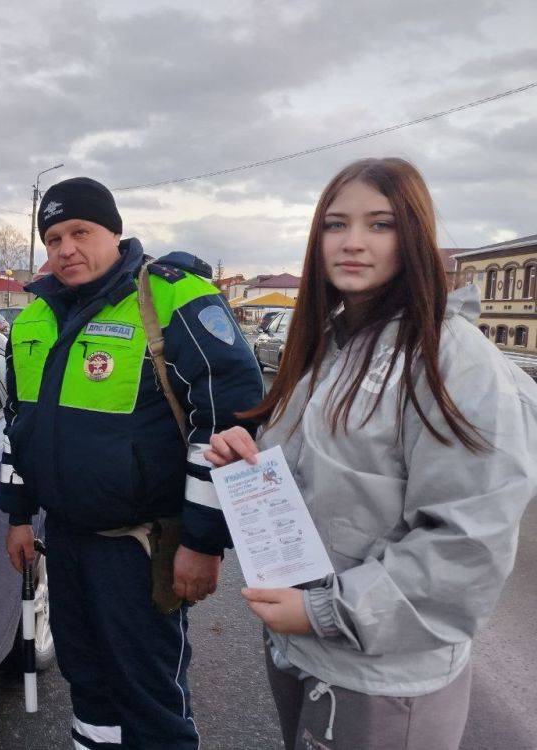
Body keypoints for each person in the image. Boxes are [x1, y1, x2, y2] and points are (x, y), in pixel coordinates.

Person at [205, 158, 537, 750]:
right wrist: (252, 465)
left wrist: (325, 613)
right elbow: (326, 484)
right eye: (336, 225)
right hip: (304, 650)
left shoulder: (453, 364)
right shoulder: (329, 344)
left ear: (413, 235)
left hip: (384, 679)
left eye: (379, 225)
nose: (353, 243)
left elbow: (468, 547)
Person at [1, 177, 263, 749]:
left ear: (114, 233)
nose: (65, 248)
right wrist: (19, 514)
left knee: (149, 696)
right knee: (87, 684)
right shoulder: (32, 320)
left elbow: (227, 420)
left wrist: (202, 541)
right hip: (67, 542)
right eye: (53, 237)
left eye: (80, 231)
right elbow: (17, 428)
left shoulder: (170, 295)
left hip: (138, 547)